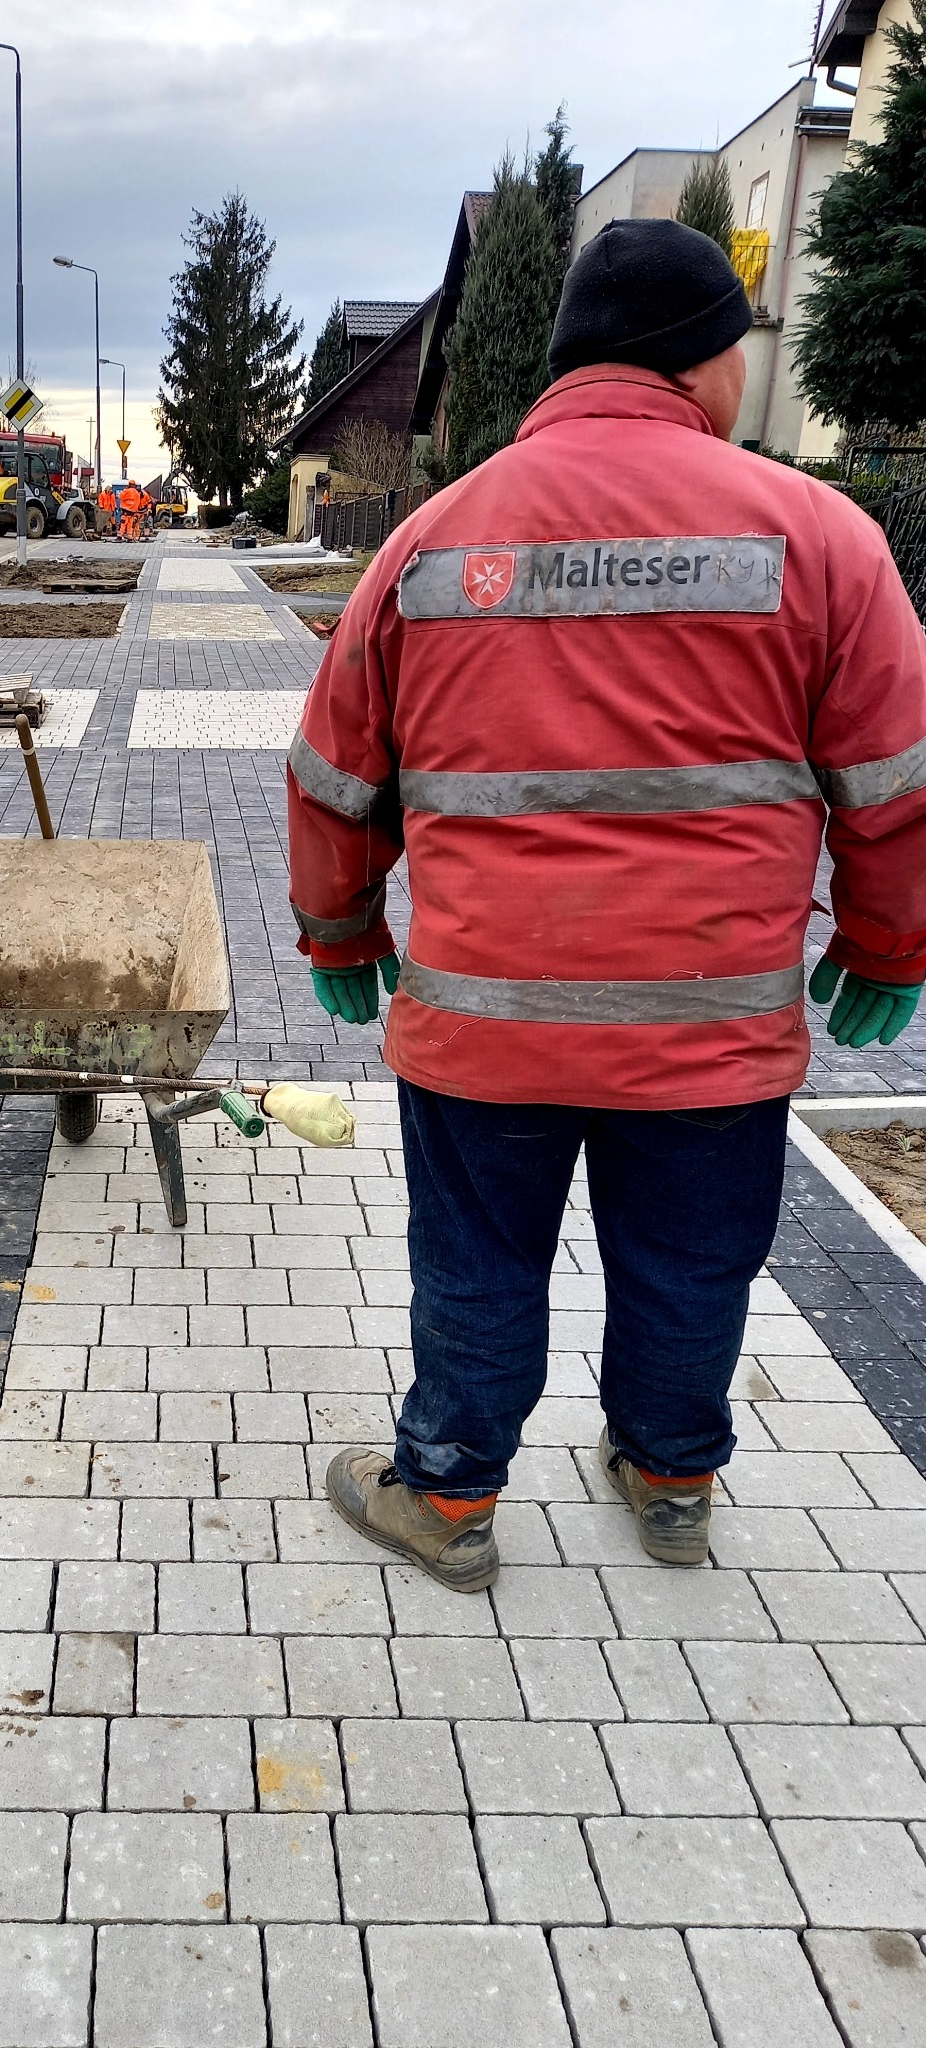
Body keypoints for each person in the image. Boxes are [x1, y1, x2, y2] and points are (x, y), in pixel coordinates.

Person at [287, 218, 925, 1592]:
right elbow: (894, 782)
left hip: (483, 1027)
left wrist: (342, 931)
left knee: (479, 1268)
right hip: (710, 1037)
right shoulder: (824, 538)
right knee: (692, 1270)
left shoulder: (433, 538)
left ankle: (450, 1500)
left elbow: (337, 771)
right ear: (706, 361)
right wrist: (891, 942)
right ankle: (672, 1478)